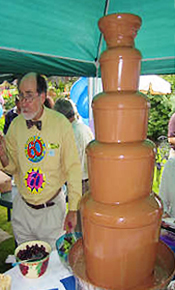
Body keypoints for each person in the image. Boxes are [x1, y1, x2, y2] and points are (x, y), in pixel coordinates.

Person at [0, 72, 82, 249]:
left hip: (52, 213)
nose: (23, 102)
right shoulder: (15, 126)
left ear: (43, 96)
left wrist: (73, 209)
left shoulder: (61, 124)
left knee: (53, 266)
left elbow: (73, 168)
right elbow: (14, 167)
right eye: (20, 95)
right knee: (27, 264)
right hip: (22, 209)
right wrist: (3, 156)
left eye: (29, 95)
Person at [54, 98, 94, 231]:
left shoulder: (72, 132)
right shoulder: (84, 127)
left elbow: (70, 165)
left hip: (80, 184)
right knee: (87, 222)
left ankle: (80, 249)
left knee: (78, 225)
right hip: (89, 181)